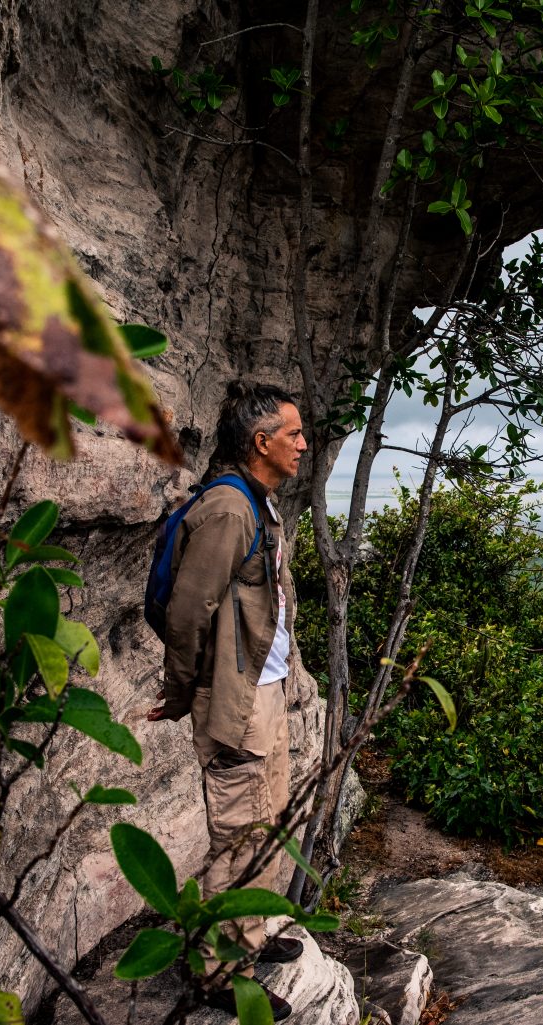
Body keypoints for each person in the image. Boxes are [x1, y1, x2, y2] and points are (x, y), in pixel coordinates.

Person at [148, 382, 308, 1020]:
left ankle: (253, 932)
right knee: (238, 837)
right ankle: (219, 972)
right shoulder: (227, 509)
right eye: (293, 434)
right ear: (260, 442)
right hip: (233, 704)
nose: (303, 443)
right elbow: (188, 614)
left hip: (264, 694)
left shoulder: (258, 502)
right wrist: (185, 691)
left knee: (268, 823)